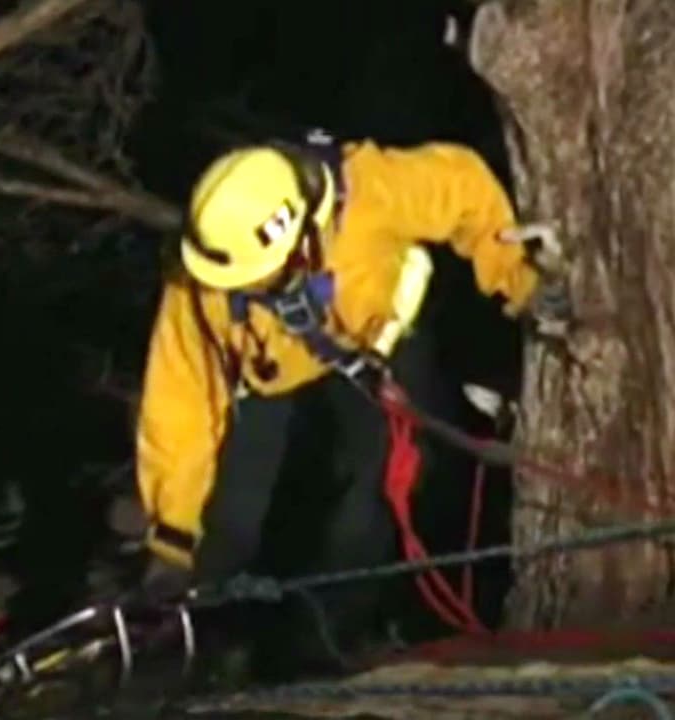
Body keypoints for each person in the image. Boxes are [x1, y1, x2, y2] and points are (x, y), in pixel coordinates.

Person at [134, 133, 570, 678]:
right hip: (268, 375)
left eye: (257, 278)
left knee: (375, 496)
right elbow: (179, 401)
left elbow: (463, 190)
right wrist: (172, 539)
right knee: (230, 522)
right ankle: (204, 649)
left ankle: (326, 643)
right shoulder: (202, 278)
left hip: (376, 343)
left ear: (299, 237)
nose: (243, 288)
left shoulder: (369, 190)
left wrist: (522, 279)